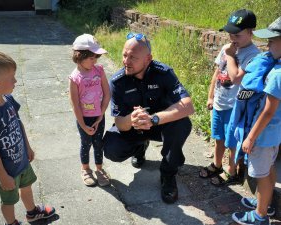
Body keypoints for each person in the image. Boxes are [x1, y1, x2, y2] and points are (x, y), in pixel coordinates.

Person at [103, 32, 194, 204]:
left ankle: (168, 174)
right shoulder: (118, 82)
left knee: (182, 124)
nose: (126, 61)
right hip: (134, 127)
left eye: (132, 57)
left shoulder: (163, 73)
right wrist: (131, 119)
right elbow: (120, 124)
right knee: (111, 148)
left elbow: (187, 105)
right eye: (124, 55)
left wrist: (154, 119)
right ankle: (139, 148)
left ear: (148, 59)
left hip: (159, 124)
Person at [0, 49, 55, 225]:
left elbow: (19, 123)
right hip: (7, 171)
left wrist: (27, 147)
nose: (15, 81)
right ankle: (11, 222)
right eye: (12, 78)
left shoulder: (8, 99)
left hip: (21, 161)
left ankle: (32, 213)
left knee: (27, 187)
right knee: (8, 201)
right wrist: (3, 176)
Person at [199, 9, 260, 186]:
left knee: (232, 141)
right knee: (218, 137)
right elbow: (217, 72)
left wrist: (231, 56)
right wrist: (211, 96)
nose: (232, 38)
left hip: (235, 106)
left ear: (250, 32)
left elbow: (237, 78)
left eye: (237, 35)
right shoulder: (227, 49)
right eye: (230, 34)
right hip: (220, 101)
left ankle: (232, 170)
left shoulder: (252, 55)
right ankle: (217, 164)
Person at [232, 16, 281, 225]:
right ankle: (265, 201)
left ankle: (260, 216)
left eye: (271, 41)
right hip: (272, 134)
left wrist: (250, 137)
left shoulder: (278, 74)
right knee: (268, 170)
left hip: (262, 135)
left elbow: (268, 111)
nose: (267, 45)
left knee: (261, 175)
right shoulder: (276, 64)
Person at [69, 34, 111, 187]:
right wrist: (83, 124)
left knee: (98, 143)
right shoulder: (75, 78)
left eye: (96, 58)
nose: (95, 61)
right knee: (86, 143)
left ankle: (99, 169)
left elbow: (107, 93)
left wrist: (101, 114)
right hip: (84, 118)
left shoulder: (99, 71)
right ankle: (85, 169)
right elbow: (75, 104)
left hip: (99, 116)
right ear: (80, 56)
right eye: (92, 58)